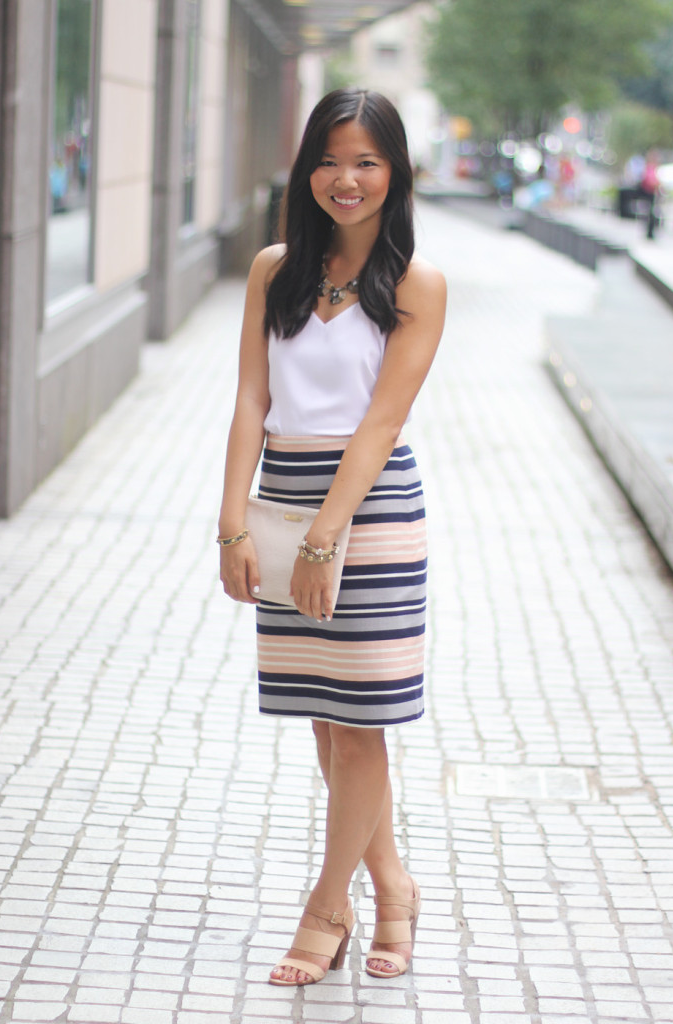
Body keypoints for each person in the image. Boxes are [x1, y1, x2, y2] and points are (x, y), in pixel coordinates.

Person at [217, 88, 446, 987]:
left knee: (360, 725)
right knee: (327, 720)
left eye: (365, 162)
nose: (344, 179)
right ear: (305, 167)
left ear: (395, 173)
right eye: (328, 159)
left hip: (369, 511)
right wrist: (232, 522)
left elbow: (381, 424)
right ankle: (393, 886)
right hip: (283, 500)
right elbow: (251, 398)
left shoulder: (416, 284)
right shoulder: (274, 270)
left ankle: (327, 907)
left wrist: (325, 538)